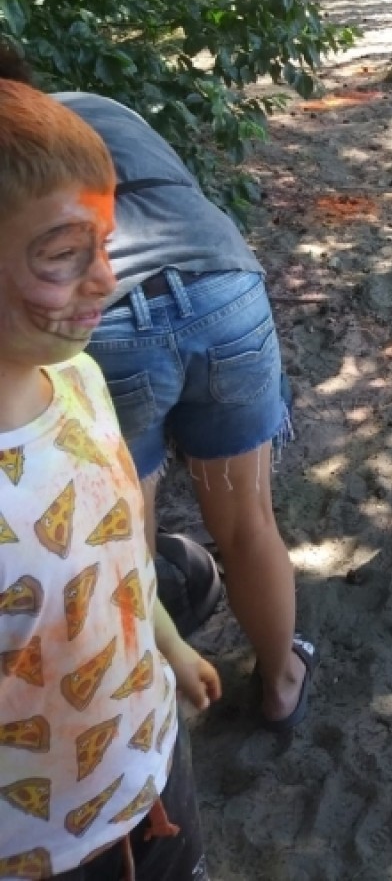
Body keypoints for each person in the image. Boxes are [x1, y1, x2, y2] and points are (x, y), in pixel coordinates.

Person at [0, 48, 317, 732]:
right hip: (220, 287)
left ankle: (154, 676)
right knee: (249, 521)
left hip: (109, 333)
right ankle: (281, 682)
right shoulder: (97, 110)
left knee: (126, 528)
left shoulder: (27, 170)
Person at [0, 81, 221, 880]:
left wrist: (168, 645)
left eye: (105, 241)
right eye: (65, 254)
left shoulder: (82, 379)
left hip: (152, 759)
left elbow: (118, 554)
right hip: (43, 848)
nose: (106, 277)